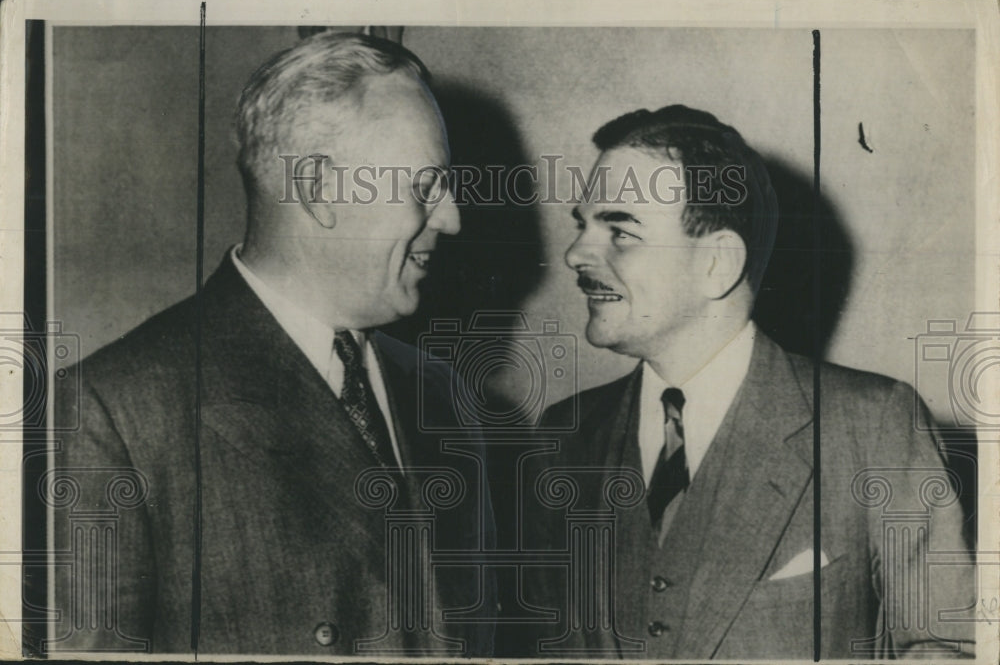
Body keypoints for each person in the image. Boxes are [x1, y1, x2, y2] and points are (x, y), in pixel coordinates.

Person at [49, 32, 494, 656]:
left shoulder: (444, 397)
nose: (451, 218)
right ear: (318, 189)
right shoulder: (112, 414)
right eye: (424, 187)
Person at [522, 105, 974, 659]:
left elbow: (946, 647)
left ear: (717, 263)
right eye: (582, 226)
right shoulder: (561, 437)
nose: (575, 254)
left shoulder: (873, 426)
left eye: (620, 231)